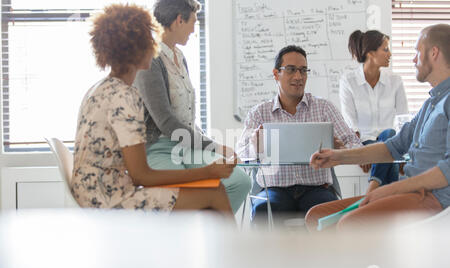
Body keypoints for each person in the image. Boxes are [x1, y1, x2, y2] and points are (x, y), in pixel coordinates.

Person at [71, 4, 236, 218]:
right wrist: (208, 172)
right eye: (149, 39)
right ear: (137, 48)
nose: (154, 44)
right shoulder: (124, 97)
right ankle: (234, 251)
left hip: (95, 193)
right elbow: (142, 176)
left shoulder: (99, 88)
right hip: (110, 199)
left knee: (210, 192)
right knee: (215, 193)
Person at [307, 24, 450, 233]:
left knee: (350, 224)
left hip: (432, 197)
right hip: (408, 192)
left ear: (434, 53)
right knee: (316, 216)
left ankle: (369, 265)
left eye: (417, 52)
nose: (413, 60)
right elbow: (392, 147)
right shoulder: (430, 104)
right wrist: (338, 156)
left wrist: (388, 190)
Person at [133, 0, 251, 214]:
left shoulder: (179, 57)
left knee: (239, 182)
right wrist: (215, 147)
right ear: (179, 20)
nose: (194, 29)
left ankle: (205, 235)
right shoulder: (149, 60)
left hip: (186, 147)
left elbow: (186, 118)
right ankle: (184, 240)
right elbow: (167, 122)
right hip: (157, 149)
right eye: (193, 22)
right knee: (181, 197)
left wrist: (208, 146)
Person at [236, 45, 362, 227]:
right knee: (264, 210)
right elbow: (240, 156)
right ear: (276, 74)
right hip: (274, 189)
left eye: (303, 70)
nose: (298, 76)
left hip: (316, 189)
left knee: (327, 210)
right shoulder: (259, 113)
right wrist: (254, 149)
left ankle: (324, 256)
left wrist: (340, 150)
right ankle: (269, 256)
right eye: (291, 70)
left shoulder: (324, 108)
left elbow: (355, 144)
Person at [340, 30, 409, 193]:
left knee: (389, 135)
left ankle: (373, 188)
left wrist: (403, 153)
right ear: (370, 53)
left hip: (391, 140)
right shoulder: (348, 81)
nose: (390, 54)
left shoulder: (395, 80)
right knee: (388, 151)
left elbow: (403, 120)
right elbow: (350, 124)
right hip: (365, 141)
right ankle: (389, 200)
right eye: (385, 49)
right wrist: (360, 152)